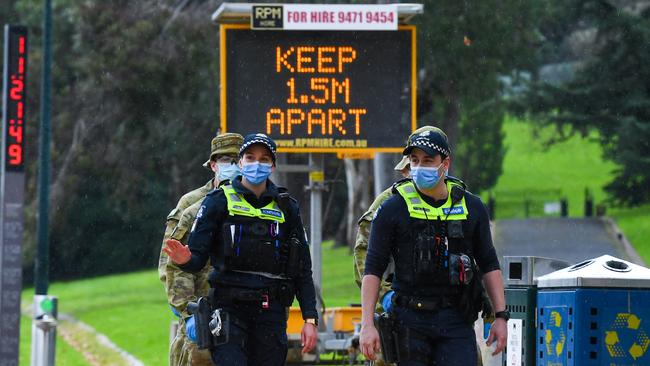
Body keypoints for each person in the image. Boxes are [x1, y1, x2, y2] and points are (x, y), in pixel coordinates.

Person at [164, 133, 318, 366]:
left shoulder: (287, 207)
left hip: (270, 311)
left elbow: (302, 269)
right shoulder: (207, 203)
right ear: (215, 165)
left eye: (264, 159)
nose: (256, 164)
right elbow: (185, 264)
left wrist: (310, 318)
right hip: (223, 309)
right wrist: (188, 312)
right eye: (248, 158)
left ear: (273, 164)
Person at [359, 128, 508, 365]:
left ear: (445, 163)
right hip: (409, 320)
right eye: (415, 160)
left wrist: (500, 317)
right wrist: (367, 324)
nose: (419, 167)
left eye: (428, 160)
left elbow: (489, 263)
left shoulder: (471, 207)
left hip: (456, 319)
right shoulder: (391, 208)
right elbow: (372, 268)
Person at [159, 132, 244, 366]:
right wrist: (189, 312)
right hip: (202, 317)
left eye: (238, 160)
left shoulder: (260, 202)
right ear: (214, 165)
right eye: (227, 161)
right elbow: (173, 265)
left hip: (245, 317)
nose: (234, 167)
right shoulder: (192, 205)